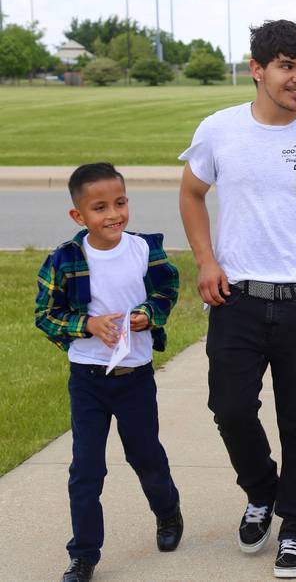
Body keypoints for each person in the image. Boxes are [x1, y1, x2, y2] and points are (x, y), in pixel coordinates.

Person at [178, 19, 296, 578]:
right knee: (230, 409)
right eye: (286, 66)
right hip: (236, 299)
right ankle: (263, 492)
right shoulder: (219, 129)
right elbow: (191, 194)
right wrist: (207, 262)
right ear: (257, 69)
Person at [34, 163, 183, 582]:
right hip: (88, 379)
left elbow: (165, 291)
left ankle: (168, 511)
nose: (113, 214)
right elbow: (46, 315)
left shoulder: (143, 249)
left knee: (144, 455)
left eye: (120, 202)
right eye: (100, 208)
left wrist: (147, 315)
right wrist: (87, 325)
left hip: (134, 376)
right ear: (78, 216)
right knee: (86, 469)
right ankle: (84, 554)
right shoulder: (65, 259)